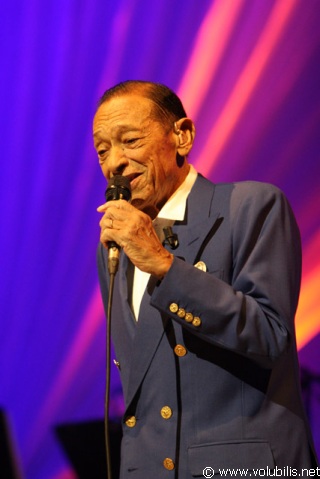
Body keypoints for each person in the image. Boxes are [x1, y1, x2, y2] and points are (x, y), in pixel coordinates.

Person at [94, 80, 318, 478]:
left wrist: (164, 264)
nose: (115, 163)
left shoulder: (251, 207)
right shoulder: (114, 248)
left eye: (129, 140)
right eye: (102, 150)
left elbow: (270, 336)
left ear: (182, 136)